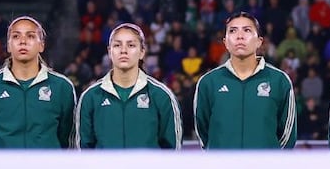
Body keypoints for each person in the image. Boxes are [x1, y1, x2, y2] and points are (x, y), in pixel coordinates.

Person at [193, 11, 296, 149]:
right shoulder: (208, 82)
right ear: (225, 42)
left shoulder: (279, 81)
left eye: (247, 30)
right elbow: (203, 132)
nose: (240, 36)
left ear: (259, 41)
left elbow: (287, 136)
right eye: (233, 31)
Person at [0, 15, 76, 150]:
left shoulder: (62, 87)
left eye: (31, 36)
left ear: (42, 45)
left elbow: (68, 139)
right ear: (8, 45)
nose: (23, 41)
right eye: (16, 36)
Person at [76, 23, 182, 150]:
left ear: (142, 52)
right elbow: (84, 151)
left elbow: (173, 151)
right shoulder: (90, 97)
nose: (123, 50)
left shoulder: (162, 96)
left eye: (131, 45)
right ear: (109, 52)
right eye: (117, 45)